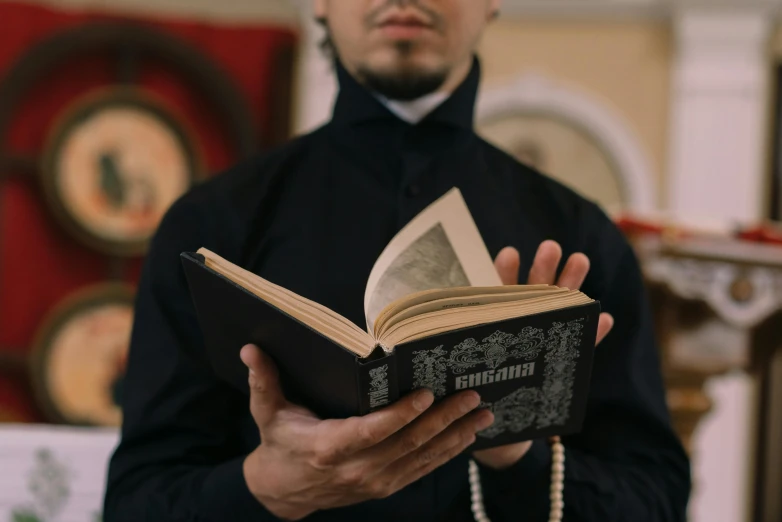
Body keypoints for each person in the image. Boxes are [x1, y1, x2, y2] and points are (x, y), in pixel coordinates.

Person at [103, 0, 691, 520]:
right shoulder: (211, 223)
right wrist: (269, 487)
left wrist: (517, 450)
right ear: (320, 3)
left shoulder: (579, 236)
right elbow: (136, 501)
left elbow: (655, 499)